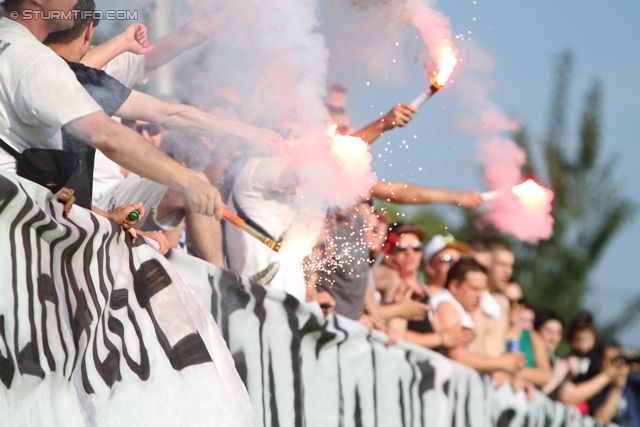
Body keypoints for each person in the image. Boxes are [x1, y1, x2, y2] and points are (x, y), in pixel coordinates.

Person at [43, 5, 281, 266]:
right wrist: (120, 41)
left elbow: (183, 42)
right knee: (191, 181)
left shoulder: (110, 66)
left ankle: (218, 287)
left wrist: (232, 12)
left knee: (195, 182)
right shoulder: (40, 68)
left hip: (114, 192)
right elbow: (66, 73)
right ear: (88, 31)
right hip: (74, 196)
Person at [0, 1, 221, 221]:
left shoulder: (17, 50)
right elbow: (107, 136)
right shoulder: (33, 59)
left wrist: (104, 216)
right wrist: (189, 182)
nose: (77, 2)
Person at [376, 228, 475, 349]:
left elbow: (439, 331)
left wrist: (458, 336)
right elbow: (397, 334)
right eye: (401, 247)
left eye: (416, 247)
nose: (409, 252)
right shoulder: (389, 283)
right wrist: (443, 338)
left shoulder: (424, 290)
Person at [431, 258, 524, 375]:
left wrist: (493, 368)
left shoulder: (458, 308)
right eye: (474, 288)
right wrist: (501, 363)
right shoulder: (447, 306)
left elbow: (470, 354)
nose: (480, 296)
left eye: (483, 290)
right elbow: (458, 356)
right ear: (454, 286)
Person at [505, 296, 551, 388]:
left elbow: (545, 376)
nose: (528, 326)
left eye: (531, 321)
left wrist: (514, 373)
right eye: (524, 320)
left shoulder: (533, 337)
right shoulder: (496, 330)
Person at [593, 340, 639, 425]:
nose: (618, 363)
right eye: (611, 360)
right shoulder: (596, 385)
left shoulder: (631, 383)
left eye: (619, 357)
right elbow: (600, 420)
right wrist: (616, 387)